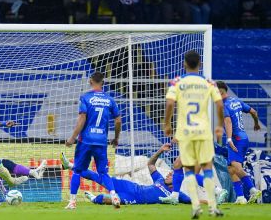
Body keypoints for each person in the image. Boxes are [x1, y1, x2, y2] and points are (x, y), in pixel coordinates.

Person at [164, 50, 224, 218]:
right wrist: (219, 125)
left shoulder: (177, 82)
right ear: (200, 64)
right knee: (206, 168)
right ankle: (213, 204)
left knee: (188, 169)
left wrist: (167, 124)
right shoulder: (209, 82)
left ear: (184, 63)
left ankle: (196, 206)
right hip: (204, 132)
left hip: (186, 132)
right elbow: (219, 105)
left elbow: (169, 104)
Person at [61, 143, 196, 205]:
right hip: (132, 187)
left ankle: (93, 199)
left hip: (136, 200)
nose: (167, 175)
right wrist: (160, 150)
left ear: (177, 180)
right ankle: (71, 166)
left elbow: (193, 201)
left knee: (105, 199)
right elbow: (150, 164)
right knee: (99, 177)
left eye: (171, 175)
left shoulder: (177, 195)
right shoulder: (160, 179)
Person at [64, 72, 122, 209]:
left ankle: (72, 202)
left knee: (77, 170)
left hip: (86, 140)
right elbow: (118, 120)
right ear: (103, 82)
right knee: (103, 172)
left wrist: (72, 138)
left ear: (91, 81)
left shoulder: (86, 98)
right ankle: (114, 196)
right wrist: (116, 138)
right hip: (101, 140)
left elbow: (82, 118)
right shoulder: (110, 100)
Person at [216, 81, 262, 204]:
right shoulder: (236, 101)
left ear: (220, 92)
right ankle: (240, 197)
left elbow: (228, 122)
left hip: (235, 140)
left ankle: (253, 190)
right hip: (243, 138)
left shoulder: (223, 105)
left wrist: (229, 138)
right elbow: (253, 112)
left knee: (235, 167)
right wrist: (256, 123)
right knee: (231, 168)